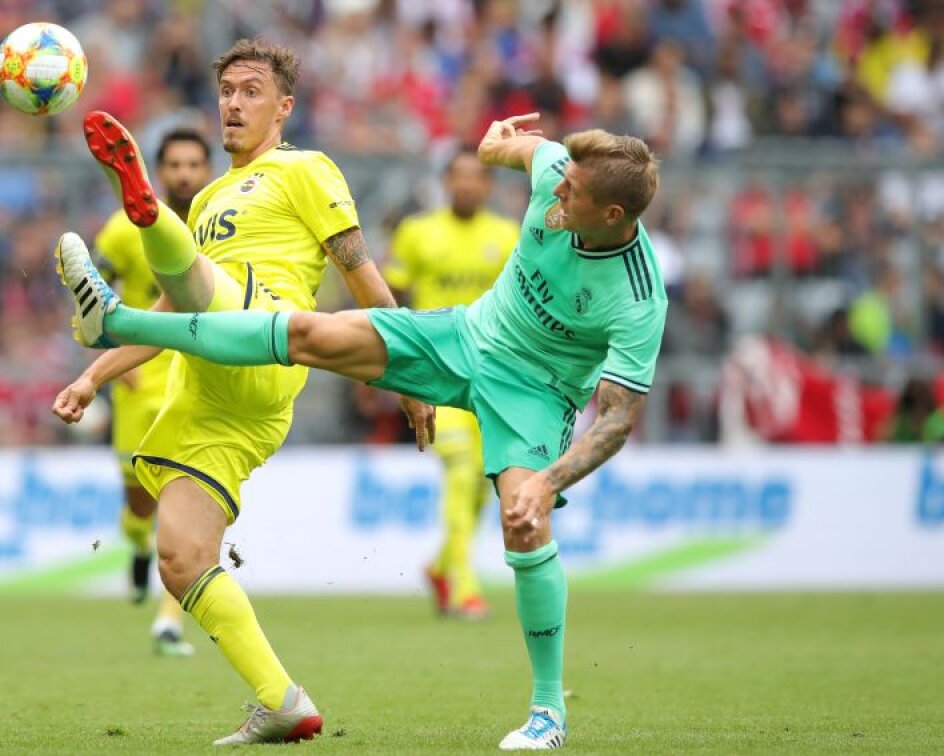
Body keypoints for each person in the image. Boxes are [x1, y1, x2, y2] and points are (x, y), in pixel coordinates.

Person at [56, 114, 667, 751]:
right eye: (560, 181)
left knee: (524, 523)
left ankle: (548, 713)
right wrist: (495, 141)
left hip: (535, 395)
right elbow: (503, 148)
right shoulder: (554, 174)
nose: (557, 197)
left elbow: (618, 420)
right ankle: (116, 322)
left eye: (573, 197)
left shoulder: (638, 296)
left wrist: (547, 481)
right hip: (465, 337)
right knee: (305, 331)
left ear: (615, 214)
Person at [52, 38, 431, 746]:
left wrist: (409, 373)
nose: (233, 102)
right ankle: (283, 701)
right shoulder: (213, 199)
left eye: (252, 90)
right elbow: (178, 312)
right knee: (181, 557)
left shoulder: (306, 169)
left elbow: (362, 275)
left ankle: (140, 216)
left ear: (284, 108)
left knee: (202, 281)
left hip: (267, 336)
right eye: (226, 90)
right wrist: (93, 375)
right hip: (209, 396)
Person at [92, 127, 213, 657]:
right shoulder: (123, 229)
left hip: (198, 377)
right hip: (138, 380)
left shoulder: (222, 224)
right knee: (138, 505)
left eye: (194, 165)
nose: (185, 174)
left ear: (207, 170)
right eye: (175, 165)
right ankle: (137, 547)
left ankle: (169, 619)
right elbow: (90, 296)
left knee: (182, 499)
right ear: (158, 172)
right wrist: (111, 360)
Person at [384, 151, 519, 620]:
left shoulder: (507, 237)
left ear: (488, 185)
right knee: (462, 468)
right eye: (457, 177)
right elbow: (392, 298)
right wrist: (391, 365)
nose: (465, 185)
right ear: (445, 182)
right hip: (437, 373)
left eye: (474, 178)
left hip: (494, 376)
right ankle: (463, 583)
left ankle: (443, 566)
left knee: (485, 481)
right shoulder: (418, 232)